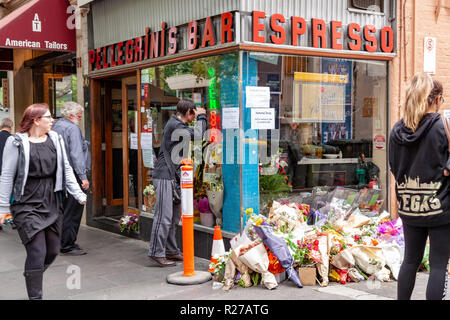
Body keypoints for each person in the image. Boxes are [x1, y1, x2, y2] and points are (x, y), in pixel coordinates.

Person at [0, 103, 86, 300]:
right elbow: (6, 176)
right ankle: (35, 296)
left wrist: (78, 193)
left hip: (51, 201)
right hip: (26, 203)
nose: (52, 120)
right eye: (48, 117)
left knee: (53, 250)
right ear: (36, 120)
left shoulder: (55, 138)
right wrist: (3, 207)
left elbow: (65, 168)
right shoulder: (16, 143)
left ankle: (33, 273)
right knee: (37, 251)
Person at [389, 72, 450, 300]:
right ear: (435, 99)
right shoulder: (442, 126)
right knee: (437, 265)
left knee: (410, 261)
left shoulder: (397, 130)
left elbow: (394, 168)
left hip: (409, 207)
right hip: (439, 207)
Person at [148, 100, 207, 267]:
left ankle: (171, 251)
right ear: (189, 112)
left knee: (173, 218)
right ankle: (156, 252)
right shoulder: (175, 125)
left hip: (173, 176)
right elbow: (198, 135)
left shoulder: (176, 124)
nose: (194, 117)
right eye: (193, 114)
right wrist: (202, 116)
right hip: (165, 176)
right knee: (164, 216)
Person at [52, 102, 91, 255]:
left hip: (59, 173)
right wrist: (83, 177)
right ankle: (67, 244)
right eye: (79, 116)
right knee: (73, 210)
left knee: (62, 209)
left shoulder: (56, 126)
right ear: (71, 115)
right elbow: (76, 154)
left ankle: (60, 241)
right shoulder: (72, 128)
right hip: (73, 174)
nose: (80, 119)